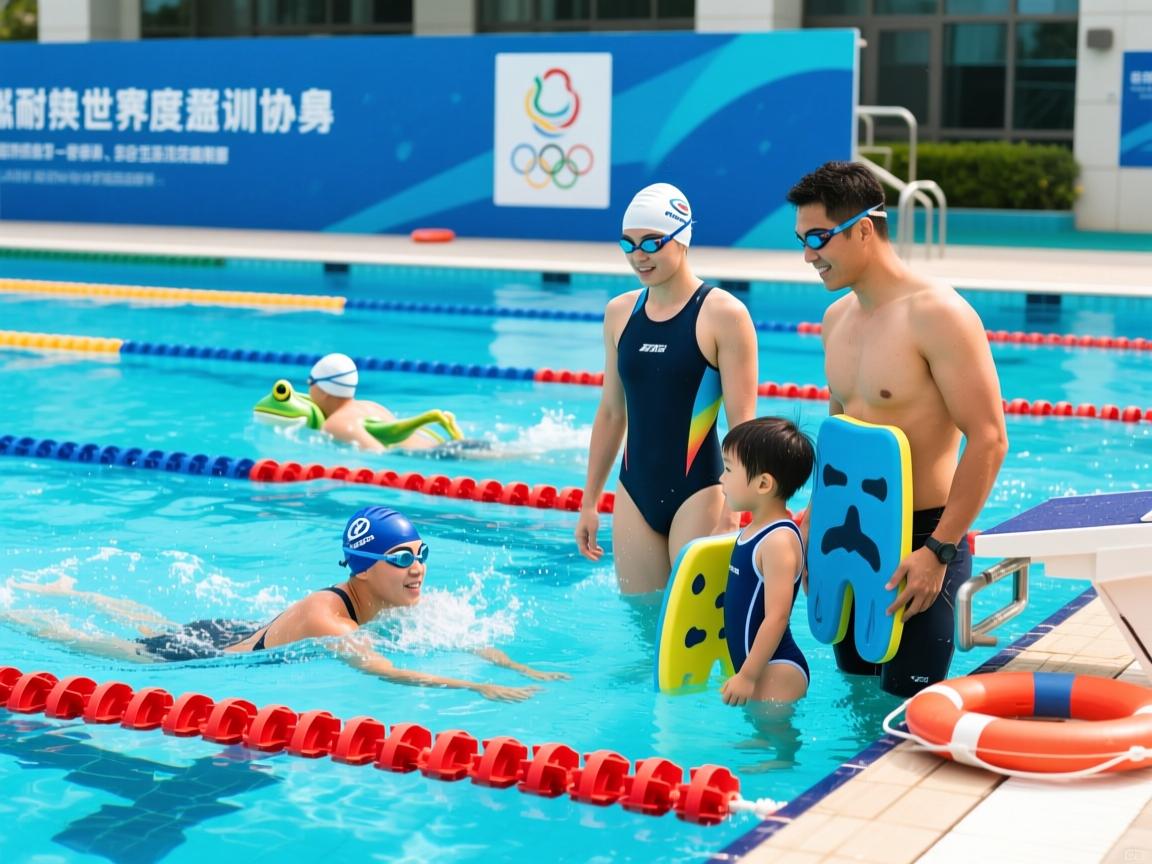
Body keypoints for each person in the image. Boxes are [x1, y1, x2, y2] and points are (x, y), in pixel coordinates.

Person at [787, 161, 1008, 697]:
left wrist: (939, 551)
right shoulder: (836, 320)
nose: (809, 255)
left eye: (818, 238)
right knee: (857, 696)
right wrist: (815, 519)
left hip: (923, 540)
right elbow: (840, 430)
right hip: (845, 533)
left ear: (863, 228)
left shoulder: (938, 315)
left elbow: (989, 438)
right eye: (802, 240)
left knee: (906, 707)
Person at [8, 506, 566, 702]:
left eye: (421, 554)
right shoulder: (328, 618)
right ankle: (24, 613)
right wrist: (474, 688)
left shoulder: (402, 592)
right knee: (108, 647)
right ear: (363, 567)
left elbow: (460, 636)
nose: (417, 567)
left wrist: (518, 667)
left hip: (233, 628)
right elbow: (387, 672)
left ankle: (70, 591)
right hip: (206, 655)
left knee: (153, 623)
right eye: (401, 558)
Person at [575, 183, 759, 595]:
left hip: (701, 491)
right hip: (634, 492)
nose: (638, 255)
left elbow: (744, 424)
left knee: (693, 624)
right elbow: (611, 412)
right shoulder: (620, 313)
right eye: (628, 243)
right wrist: (589, 502)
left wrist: (733, 512)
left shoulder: (724, 314)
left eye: (652, 242)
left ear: (683, 238)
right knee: (642, 621)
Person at [718, 417, 815, 706]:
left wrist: (748, 676)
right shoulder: (755, 529)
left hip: (776, 669)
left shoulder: (777, 541)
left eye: (728, 469)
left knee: (775, 735)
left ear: (763, 483)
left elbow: (777, 616)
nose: (721, 478)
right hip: (758, 666)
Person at [300, 353, 463, 452]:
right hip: (446, 447)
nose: (308, 388)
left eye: (310, 382)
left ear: (324, 390)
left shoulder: (336, 423)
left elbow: (379, 455)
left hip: (438, 457)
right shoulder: (372, 406)